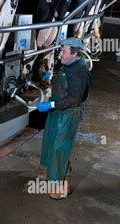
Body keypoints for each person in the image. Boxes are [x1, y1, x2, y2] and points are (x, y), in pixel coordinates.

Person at [36, 38, 92, 199]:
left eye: (63, 51)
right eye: (61, 51)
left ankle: (61, 184)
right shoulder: (69, 65)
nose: (60, 55)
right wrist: (50, 77)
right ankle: (48, 171)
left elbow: (75, 98)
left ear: (75, 53)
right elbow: (64, 83)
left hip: (67, 114)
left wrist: (51, 105)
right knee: (50, 142)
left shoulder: (80, 71)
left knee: (60, 148)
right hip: (57, 112)